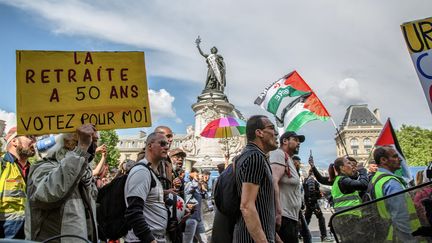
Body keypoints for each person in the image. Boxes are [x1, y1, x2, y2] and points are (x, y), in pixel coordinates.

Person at [25, 124, 98, 242]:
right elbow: (49, 193)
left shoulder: (84, 174)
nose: (93, 146)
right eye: (88, 140)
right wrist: (81, 149)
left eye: (94, 141)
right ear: (68, 142)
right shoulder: (43, 167)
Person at [234, 115, 278, 243]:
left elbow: (260, 203)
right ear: (259, 132)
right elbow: (246, 206)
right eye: (271, 128)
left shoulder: (249, 156)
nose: (275, 133)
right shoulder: (255, 157)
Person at [124, 132, 169, 243]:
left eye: (168, 144)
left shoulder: (151, 172)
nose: (167, 147)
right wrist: (149, 239)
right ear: (149, 146)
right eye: (162, 143)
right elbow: (133, 211)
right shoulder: (141, 171)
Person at [370, 146, 422, 242]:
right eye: (395, 156)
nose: (399, 160)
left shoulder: (376, 179)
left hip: (391, 235)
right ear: (383, 160)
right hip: (404, 237)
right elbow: (400, 216)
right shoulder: (391, 182)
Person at [0, 127, 36, 239]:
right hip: (6, 232)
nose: (34, 141)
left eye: (35, 138)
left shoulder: (34, 170)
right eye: (29, 137)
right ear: (14, 141)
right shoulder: (2, 165)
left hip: (29, 232)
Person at [269, 131, 304, 243]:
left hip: (290, 218)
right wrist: (278, 213)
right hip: (283, 218)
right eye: (295, 140)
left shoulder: (288, 159)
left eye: (299, 141)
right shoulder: (279, 154)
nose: (298, 143)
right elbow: (273, 181)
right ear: (285, 141)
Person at [137, 126, 175, 191]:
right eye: (168, 136)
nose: (171, 139)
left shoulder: (166, 158)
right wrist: (163, 193)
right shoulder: (144, 157)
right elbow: (141, 187)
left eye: (171, 136)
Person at [303, 171, 331, 242]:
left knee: (306, 219)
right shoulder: (311, 179)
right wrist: (317, 196)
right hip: (313, 203)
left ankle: (301, 234)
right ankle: (324, 236)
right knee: (321, 218)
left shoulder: (306, 180)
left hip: (309, 203)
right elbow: (311, 192)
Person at [183, 167, 207, 243]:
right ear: (192, 173)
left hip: (198, 218)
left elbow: (205, 196)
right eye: (198, 173)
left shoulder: (198, 186)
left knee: (204, 240)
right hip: (191, 218)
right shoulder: (189, 184)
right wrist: (196, 180)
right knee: (188, 241)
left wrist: (201, 186)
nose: (200, 176)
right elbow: (188, 190)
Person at [292, 156, 312, 243]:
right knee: (305, 234)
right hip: (293, 209)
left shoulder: (297, 174)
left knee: (305, 234)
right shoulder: (292, 174)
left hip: (298, 208)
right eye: (298, 163)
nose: (299, 165)